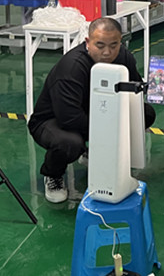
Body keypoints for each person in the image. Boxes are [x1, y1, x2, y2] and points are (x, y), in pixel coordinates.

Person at [28, 17, 156, 203]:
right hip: (53, 120)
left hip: (95, 113)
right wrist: (111, 129)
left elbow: (133, 92)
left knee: (144, 114)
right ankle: (53, 174)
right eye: (100, 45)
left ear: (120, 42)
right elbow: (69, 118)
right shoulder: (72, 67)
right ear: (88, 42)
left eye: (113, 45)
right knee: (70, 143)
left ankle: (92, 153)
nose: (107, 52)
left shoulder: (124, 57)